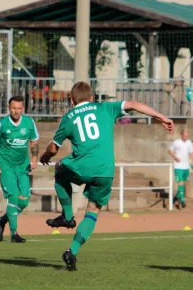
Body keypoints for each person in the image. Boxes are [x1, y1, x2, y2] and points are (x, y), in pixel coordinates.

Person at [40, 82, 174, 271]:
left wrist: (45, 156)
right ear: (92, 98)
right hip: (105, 172)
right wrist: (161, 117)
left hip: (81, 167)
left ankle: (68, 216)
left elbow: (54, 148)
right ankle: (72, 251)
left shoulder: (68, 117)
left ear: (71, 100)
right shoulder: (104, 108)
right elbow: (134, 104)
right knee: (93, 211)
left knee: (59, 169)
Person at [0, 96, 39, 242]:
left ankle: (2, 220)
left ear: (23, 108)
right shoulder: (2, 124)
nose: (16, 111)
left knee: (24, 201)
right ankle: (14, 233)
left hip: (22, 167)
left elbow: (34, 141)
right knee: (13, 196)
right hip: (5, 166)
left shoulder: (29, 122)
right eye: (13, 108)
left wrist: (34, 158)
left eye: (19, 108)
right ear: (9, 108)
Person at [168, 130, 193, 208]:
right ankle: (182, 200)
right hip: (178, 166)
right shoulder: (176, 142)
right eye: (184, 136)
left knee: (184, 184)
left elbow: (191, 153)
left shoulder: (189, 143)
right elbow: (170, 151)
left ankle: (176, 197)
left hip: (186, 166)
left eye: (187, 136)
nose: (186, 137)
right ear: (181, 135)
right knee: (180, 183)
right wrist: (175, 157)